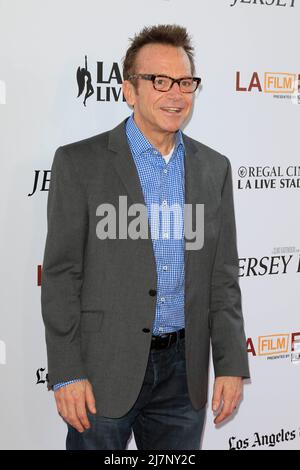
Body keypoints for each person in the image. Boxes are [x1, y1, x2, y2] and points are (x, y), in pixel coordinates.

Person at [41, 24, 250, 451]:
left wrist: (229, 364)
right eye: (159, 81)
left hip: (183, 374)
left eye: (185, 81)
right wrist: (66, 371)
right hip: (103, 369)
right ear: (129, 90)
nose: (176, 93)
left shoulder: (214, 169)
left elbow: (223, 278)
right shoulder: (79, 163)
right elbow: (61, 276)